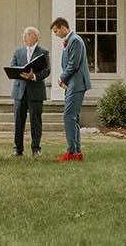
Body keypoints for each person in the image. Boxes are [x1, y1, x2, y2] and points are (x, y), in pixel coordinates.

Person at [51, 17, 90, 162]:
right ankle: (76, 152)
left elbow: (73, 64)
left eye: (56, 31)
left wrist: (62, 78)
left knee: (69, 116)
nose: (56, 34)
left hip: (77, 83)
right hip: (73, 83)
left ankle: (71, 152)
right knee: (74, 118)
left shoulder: (75, 41)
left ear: (63, 27)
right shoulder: (71, 41)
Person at [9, 26, 49, 157]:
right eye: (23, 34)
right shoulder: (18, 51)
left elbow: (46, 70)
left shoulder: (43, 52)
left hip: (36, 92)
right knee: (18, 122)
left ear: (35, 36)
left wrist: (33, 76)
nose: (24, 37)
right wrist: (21, 73)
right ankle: (17, 149)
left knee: (35, 121)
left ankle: (36, 148)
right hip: (19, 92)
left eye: (27, 34)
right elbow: (12, 67)